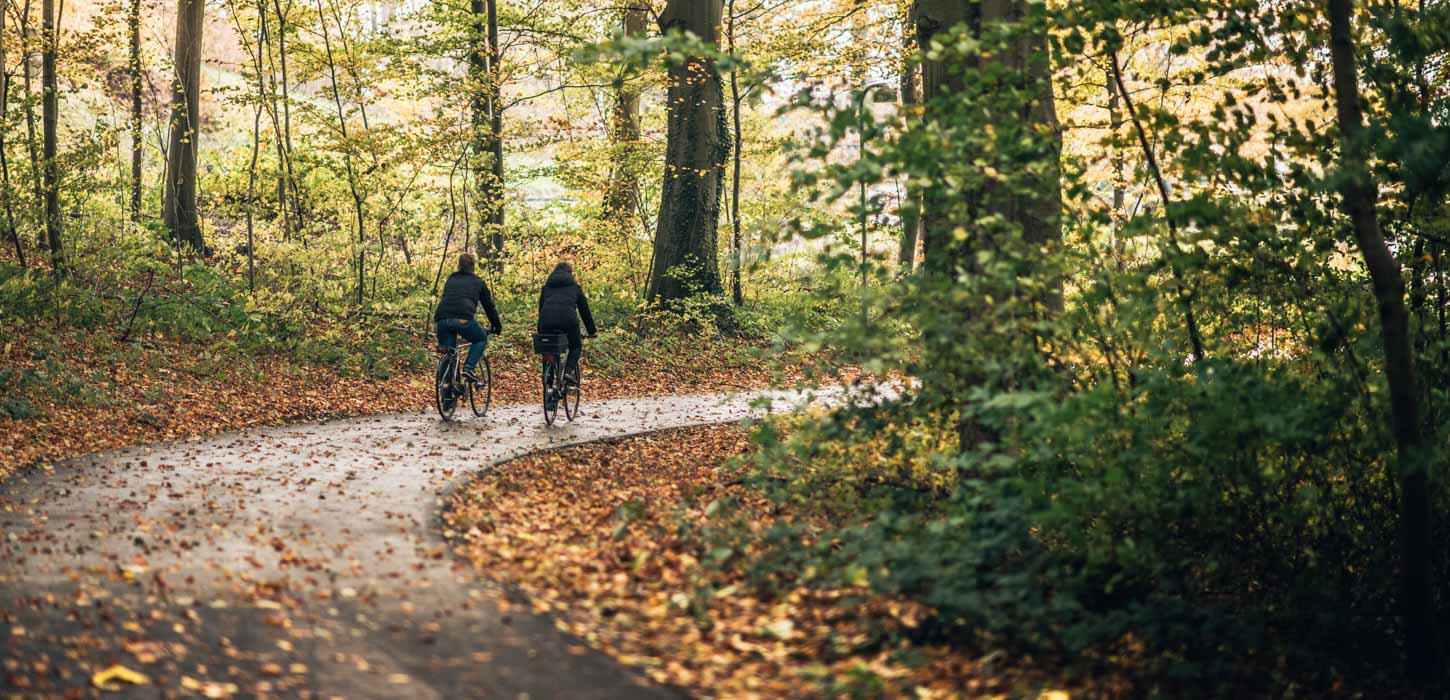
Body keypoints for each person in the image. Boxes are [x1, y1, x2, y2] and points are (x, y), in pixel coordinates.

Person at [435, 253, 502, 382]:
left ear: (458, 266)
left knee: (449, 353)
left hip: (442, 320)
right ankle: (469, 368)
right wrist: (496, 326)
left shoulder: (451, 279)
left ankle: (446, 391)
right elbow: (489, 307)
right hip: (463, 319)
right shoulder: (478, 282)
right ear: (473, 267)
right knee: (480, 338)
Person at [537, 261, 596, 385]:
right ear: (570, 274)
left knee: (548, 347)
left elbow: (541, 308)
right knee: (575, 346)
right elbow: (584, 311)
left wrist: (542, 326)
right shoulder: (575, 288)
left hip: (546, 321)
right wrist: (592, 330)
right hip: (568, 321)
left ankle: (548, 375)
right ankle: (568, 372)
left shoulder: (546, 288)